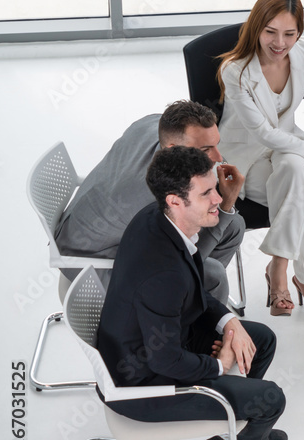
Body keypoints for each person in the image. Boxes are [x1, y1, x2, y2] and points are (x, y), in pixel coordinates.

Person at [97, 147, 287, 440]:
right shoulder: (163, 274)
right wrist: (217, 365)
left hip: (161, 341)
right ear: (175, 200)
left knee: (259, 340)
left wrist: (230, 323)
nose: (219, 198)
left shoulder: (158, 219)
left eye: (215, 187)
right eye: (207, 193)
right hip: (145, 385)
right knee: (271, 399)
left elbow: (195, 293)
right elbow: (165, 358)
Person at [218, 0, 304, 323]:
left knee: (293, 171)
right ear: (256, 28)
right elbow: (264, 134)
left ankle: (278, 265)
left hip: (288, 146)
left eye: (290, 33)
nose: (280, 43)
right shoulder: (236, 72)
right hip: (246, 157)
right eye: (271, 32)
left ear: (300, 32)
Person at [55, 100, 245, 303]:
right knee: (213, 273)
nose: (218, 157)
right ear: (173, 149)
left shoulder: (155, 125)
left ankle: (193, 303)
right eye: (206, 149)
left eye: (216, 144)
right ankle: (196, 324)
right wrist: (227, 202)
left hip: (81, 231)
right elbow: (188, 261)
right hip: (92, 265)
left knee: (233, 225)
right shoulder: (161, 194)